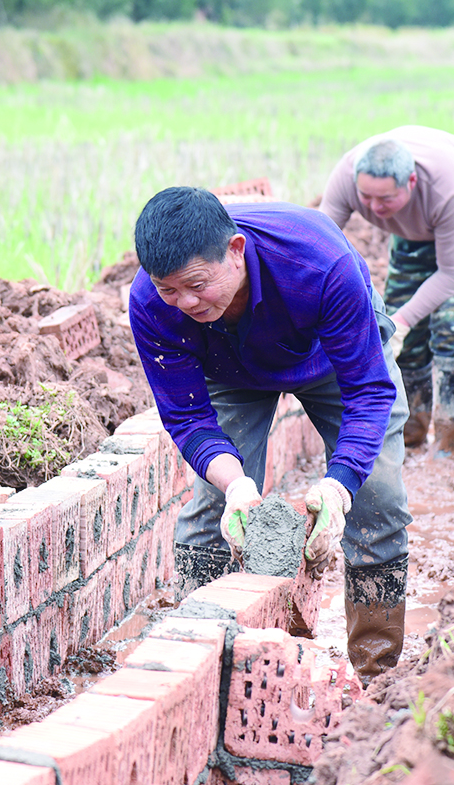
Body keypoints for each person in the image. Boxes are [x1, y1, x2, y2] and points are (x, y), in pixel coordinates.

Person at [129, 186, 413, 683]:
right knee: (212, 517)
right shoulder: (152, 303)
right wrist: (236, 485)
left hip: (330, 356)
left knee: (378, 500)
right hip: (230, 368)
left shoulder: (320, 264)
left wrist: (339, 486)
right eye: (169, 289)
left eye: (197, 285)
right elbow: (188, 417)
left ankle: (376, 677)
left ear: (236, 251)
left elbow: (368, 391)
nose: (185, 302)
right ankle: (203, 674)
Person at [320, 125, 454, 459]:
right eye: (366, 198)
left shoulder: (447, 188)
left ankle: (449, 449)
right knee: (398, 334)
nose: (374, 207)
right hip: (417, 227)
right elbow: (318, 243)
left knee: (453, 324)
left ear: (410, 182)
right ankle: (409, 437)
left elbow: (453, 274)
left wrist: (404, 321)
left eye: (385, 199)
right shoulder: (347, 177)